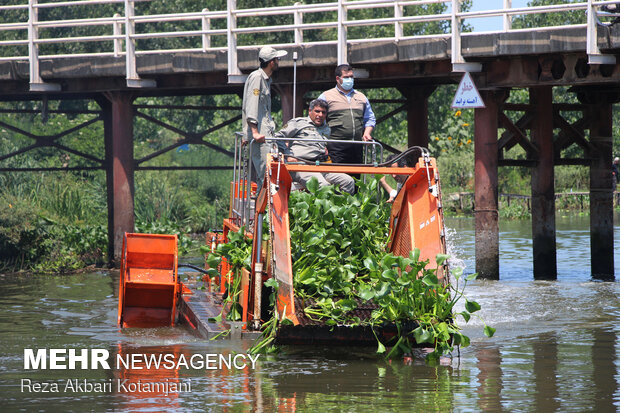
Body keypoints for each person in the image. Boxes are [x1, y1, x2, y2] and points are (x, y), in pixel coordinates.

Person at [274, 99, 355, 194]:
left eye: (323, 112)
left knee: (348, 182)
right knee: (323, 186)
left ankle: (342, 207)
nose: (320, 115)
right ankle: (324, 207)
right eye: (317, 111)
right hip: (302, 166)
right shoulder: (298, 123)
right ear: (310, 111)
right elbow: (278, 137)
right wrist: (288, 154)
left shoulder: (326, 129)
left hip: (322, 165)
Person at [242, 45, 287, 190]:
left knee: (272, 172)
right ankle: (263, 210)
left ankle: (268, 208)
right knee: (265, 175)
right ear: (272, 62)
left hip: (266, 132)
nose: (278, 62)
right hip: (260, 135)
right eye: (277, 59)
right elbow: (252, 105)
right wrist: (253, 132)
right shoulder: (257, 78)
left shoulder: (266, 79)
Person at [317, 64, 376, 166]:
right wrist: (322, 143)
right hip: (335, 147)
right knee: (338, 178)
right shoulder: (325, 96)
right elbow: (316, 120)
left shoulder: (361, 97)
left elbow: (370, 118)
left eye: (351, 77)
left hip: (357, 146)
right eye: (346, 77)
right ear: (338, 79)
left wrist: (367, 133)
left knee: (356, 179)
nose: (349, 79)